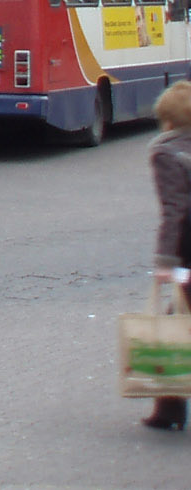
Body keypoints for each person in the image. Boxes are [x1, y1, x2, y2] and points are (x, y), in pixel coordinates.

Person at [141, 79, 191, 430]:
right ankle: (168, 407)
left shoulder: (167, 152)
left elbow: (175, 210)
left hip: (187, 255)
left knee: (178, 323)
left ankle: (170, 408)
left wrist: (165, 262)